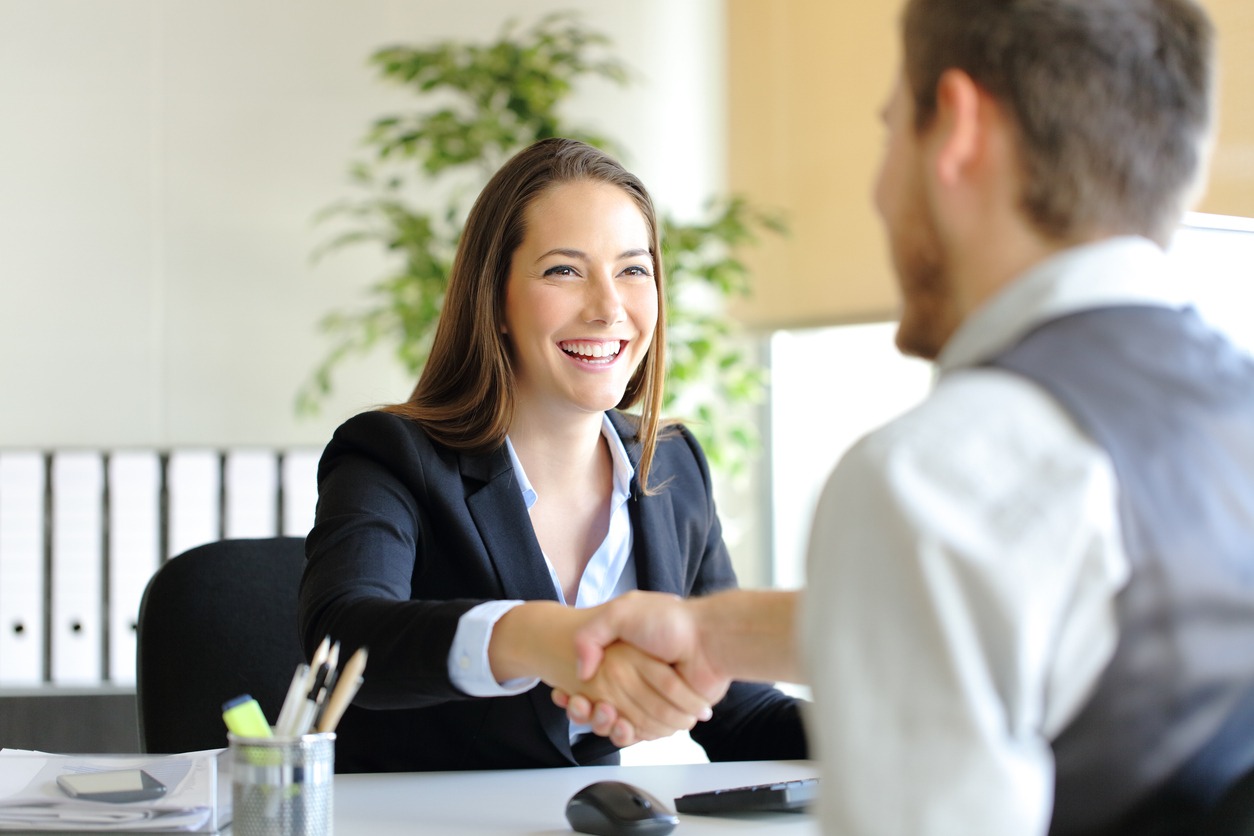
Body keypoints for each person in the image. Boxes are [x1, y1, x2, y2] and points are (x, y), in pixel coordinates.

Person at [558, 0, 1254, 833]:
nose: (879, 192)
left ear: (956, 131)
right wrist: (718, 632)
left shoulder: (933, 479)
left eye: (892, 132)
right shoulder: (1224, 417)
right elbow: (1061, 623)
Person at [297, 137, 807, 773]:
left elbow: (744, 714)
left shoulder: (671, 466)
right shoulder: (392, 456)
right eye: (564, 270)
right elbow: (344, 643)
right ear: (497, 300)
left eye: (633, 269)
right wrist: (543, 639)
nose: (608, 308)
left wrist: (899, 723)